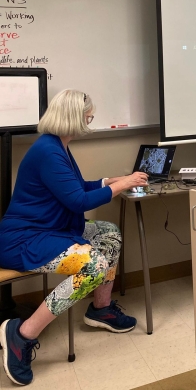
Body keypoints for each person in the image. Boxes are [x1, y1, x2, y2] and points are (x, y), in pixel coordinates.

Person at [0, 90, 149, 386]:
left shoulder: (57, 146)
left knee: (108, 233)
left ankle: (101, 309)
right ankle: (21, 334)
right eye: (87, 117)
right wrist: (126, 184)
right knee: (92, 267)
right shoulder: (48, 150)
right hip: (23, 238)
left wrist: (111, 181)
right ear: (73, 118)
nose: (88, 122)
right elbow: (78, 201)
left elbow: (76, 186)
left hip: (50, 229)